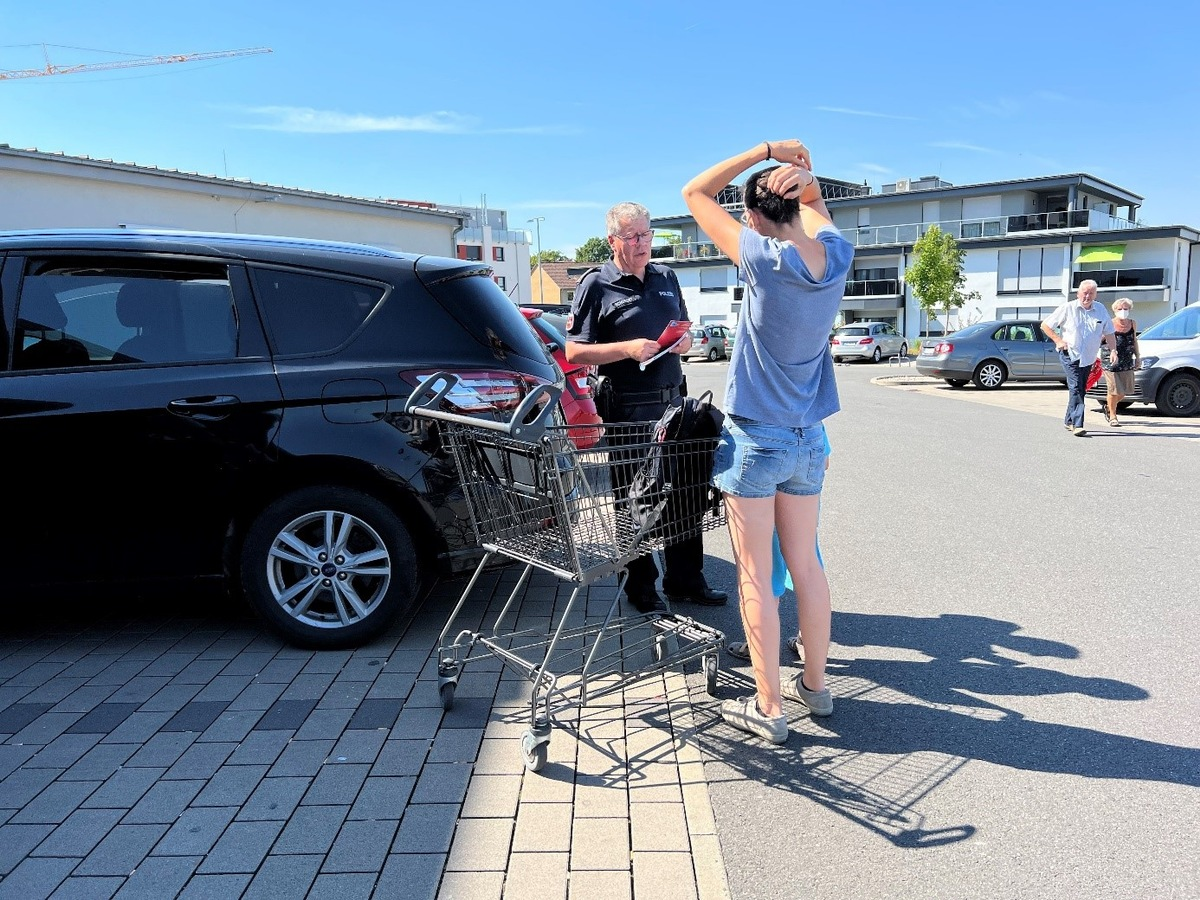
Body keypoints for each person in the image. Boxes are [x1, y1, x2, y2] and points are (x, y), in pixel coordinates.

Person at [683, 140, 853, 744]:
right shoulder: (837, 256)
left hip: (756, 438)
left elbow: (694, 192)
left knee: (756, 576)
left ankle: (770, 707)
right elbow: (816, 208)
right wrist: (803, 176)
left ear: (754, 216)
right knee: (805, 566)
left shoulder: (760, 258)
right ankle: (816, 687)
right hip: (809, 438)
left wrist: (764, 150)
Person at [565, 201, 728, 614]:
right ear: (612, 240)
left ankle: (686, 580)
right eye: (632, 236)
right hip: (628, 411)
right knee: (635, 500)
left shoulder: (666, 276)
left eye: (646, 234)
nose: (641, 243)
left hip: (674, 404)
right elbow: (574, 351)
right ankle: (640, 587)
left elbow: (684, 331)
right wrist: (627, 348)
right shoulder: (596, 284)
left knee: (686, 492)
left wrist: (685, 342)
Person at [725, 431, 831, 662]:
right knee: (809, 567)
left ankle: (760, 648)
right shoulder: (809, 417)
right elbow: (824, 460)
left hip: (760, 480)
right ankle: (809, 645)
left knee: (763, 574)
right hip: (804, 497)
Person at [1041, 280, 1116, 436]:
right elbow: (1045, 325)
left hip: (1088, 357)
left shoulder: (1100, 309)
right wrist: (1058, 340)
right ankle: (1077, 424)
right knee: (1076, 387)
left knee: (1080, 388)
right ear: (1078, 293)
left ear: (1095, 295)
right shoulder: (1067, 308)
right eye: (1084, 293)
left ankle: (1069, 420)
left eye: (1091, 293)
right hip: (1070, 354)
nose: (1087, 296)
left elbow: (1109, 331)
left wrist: (1114, 350)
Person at [1103, 297, 1141, 427]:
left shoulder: (1132, 323)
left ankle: (1109, 406)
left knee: (1124, 391)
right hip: (1111, 360)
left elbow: (1134, 340)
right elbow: (1100, 339)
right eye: (1120, 309)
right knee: (1114, 390)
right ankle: (1113, 416)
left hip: (1127, 360)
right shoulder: (1109, 323)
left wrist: (1138, 357)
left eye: (1125, 308)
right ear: (1114, 310)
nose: (1123, 311)